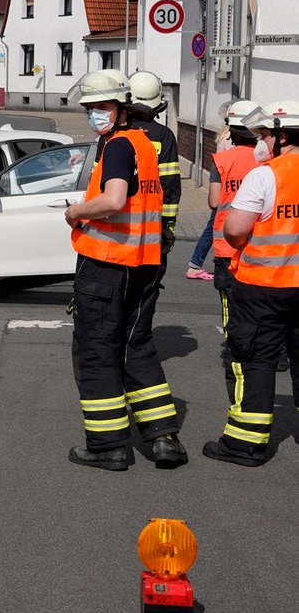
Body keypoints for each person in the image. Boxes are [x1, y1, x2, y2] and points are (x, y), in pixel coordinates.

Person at [61, 69, 186, 471]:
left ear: (121, 108)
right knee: (138, 346)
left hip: (106, 267)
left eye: (100, 107)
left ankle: (108, 446)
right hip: (144, 265)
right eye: (91, 109)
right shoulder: (145, 145)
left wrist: (75, 212)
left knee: (98, 351)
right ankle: (163, 438)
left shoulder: (115, 146)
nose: (95, 115)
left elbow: (114, 200)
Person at [203, 98, 299, 466]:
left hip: (264, 286)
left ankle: (245, 443)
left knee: (256, 359)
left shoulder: (265, 175)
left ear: (281, 134)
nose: (261, 141)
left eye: (264, 134)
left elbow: (235, 228)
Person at [207, 100, 265, 350]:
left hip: (227, 246)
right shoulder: (267, 161)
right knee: (261, 301)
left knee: (231, 300)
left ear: (230, 131)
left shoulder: (221, 160)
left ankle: (237, 345)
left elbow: (212, 201)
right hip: (260, 245)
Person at [126, 70, 181, 274]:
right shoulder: (164, 135)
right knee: (146, 289)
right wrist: (167, 225)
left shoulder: (115, 132)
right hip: (151, 225)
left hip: (116, 227)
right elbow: (170, 184)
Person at [186, 121, 233, 280]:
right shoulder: (229, 136)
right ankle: (195, 264)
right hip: (227, 190)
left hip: (221, 188)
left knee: (212, 227)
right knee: (212, 228)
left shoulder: (222, 135)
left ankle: (195, 264)